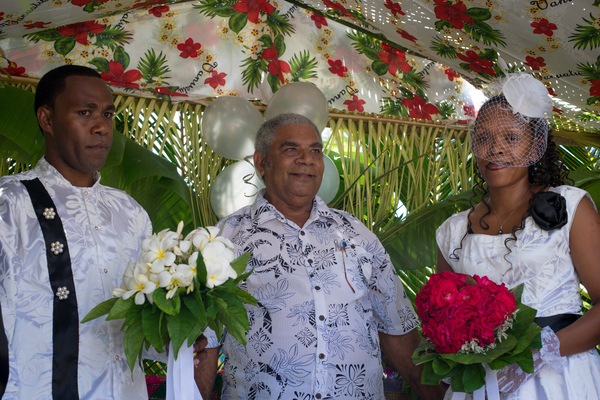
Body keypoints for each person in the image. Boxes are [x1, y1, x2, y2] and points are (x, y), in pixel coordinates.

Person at [196, 113, 444, 400]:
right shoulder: (224, 239)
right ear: (262, 162)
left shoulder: (357, 234)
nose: (307, 159)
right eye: (291, 150)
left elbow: (396, 329)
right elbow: (205, 343)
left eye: (315, 150)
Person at [0, 65, 161, 399]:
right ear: (47, 120)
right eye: (84, 112)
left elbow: (144, 323)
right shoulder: (10, 203)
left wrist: (179, 332)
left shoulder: (130, 213)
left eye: (106, 113)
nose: (101, 126)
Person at [436, 74, 600, 398]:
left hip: (561, 378)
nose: (495, 148)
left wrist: (542, 354)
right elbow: (444, 318)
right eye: (483, 138)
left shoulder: (570, 206)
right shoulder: (452, 232)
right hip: (481, 384)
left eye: (511, 137)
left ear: (536, 145)